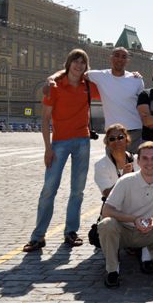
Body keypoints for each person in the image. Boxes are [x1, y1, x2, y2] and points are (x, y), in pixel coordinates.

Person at [24, 49, 100, 252]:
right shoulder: (55, 86)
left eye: (82, 63)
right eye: (75, 62)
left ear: (86, 67)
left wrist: (133, 76)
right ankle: (38, 236)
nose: (79, 65)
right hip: (59, 142)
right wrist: (47, 148)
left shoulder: (89, 86)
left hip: (83, 141)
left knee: (78, 190)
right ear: (68, 64)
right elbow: (45, 119)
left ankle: (71, 232)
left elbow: (112, 85)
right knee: (49, 190)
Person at [98, 141, 153, 288]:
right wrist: (134, 219)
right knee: (106, 224)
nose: (149, 162)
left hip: (146, 231)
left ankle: (149, 256)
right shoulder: (125, 180)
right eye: (145, 158)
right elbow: (106, 211)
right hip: (122, 231)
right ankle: (112, 270)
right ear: (138, 161)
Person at [47, 47, 145, 153]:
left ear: (127, 61)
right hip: (112, 132)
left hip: (134, 130)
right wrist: (52, 78)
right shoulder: (99, 75)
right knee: (111, 167)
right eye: (116, 55)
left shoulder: (136, 80)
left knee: (133, 167)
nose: (119, 59)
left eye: (123, 57)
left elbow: (142, 106)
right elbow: (75, 70)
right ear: (111, 58)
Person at [94, 124, 153, 269]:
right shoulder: (101, 165)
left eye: (121, 137)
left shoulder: (138, 160)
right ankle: (113, 264)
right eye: (112, 139)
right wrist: (124, 179)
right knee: (104, 228)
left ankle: (146, 258)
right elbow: (107, 194)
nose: (117, 141)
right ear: (107, 143)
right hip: (114, 209)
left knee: (151, 216)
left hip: (138, 207)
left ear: (127, 140)